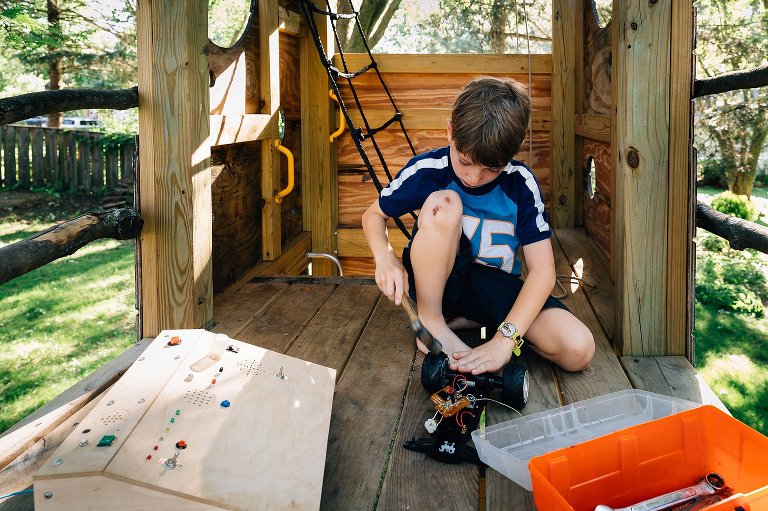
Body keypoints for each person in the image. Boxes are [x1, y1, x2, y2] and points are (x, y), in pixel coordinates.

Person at [361, 76, 594, 375]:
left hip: (493, 289)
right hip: (439, 285)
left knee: (578, 349)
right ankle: (433, 321)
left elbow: (544, 271)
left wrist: (504, 341)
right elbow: (373, 215)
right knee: (444, 203)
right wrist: (384, 257)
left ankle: (477, 321)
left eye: (491, 169)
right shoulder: (429, 170)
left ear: (513, 152)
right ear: (449, 132)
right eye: (465, 162)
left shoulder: (520, 184)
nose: (472, 178)